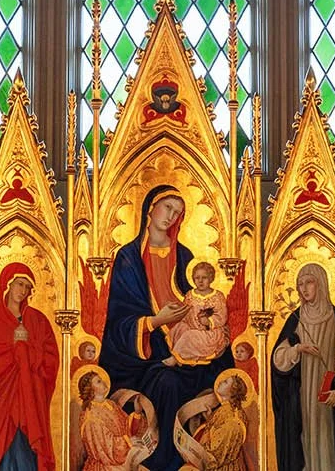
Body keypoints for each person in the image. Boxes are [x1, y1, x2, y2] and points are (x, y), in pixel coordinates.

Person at [100, 185, 233, 471]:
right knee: (167, 382)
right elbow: (117, 322)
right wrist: (155, 322)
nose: (171, 216)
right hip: (145, 356)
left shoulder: (185, 256)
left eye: (177, 212)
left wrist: (203, 321)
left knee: (220, 373)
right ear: (150, 208)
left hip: (191, 344)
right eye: (167, 207)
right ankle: (164, 463)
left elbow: (205, 299)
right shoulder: (128, 258)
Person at [0, 262, 59, 471]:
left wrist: (26, 348)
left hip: (29, 399)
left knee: (26, 450)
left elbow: (51, 359)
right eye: (19, 284)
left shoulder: (37, 320)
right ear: (7, 284)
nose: (22, 291)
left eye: (27, 287)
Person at [271, 263, 335, 471]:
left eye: (309, 282)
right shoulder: (296, 319)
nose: (304, 289)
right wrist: (298, 349)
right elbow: (278, 358)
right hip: (301, 396)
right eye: (300, 284)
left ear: (321, 284)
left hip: (326, 396)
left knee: (327, 442)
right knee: (303, 442)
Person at [78, 366, 150, 471]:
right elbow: (106, 449)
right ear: (91, 390)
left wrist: (137, 413)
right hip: (107, 465)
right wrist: (128, 442)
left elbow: (126, 427)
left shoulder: (110, 404)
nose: (103, 382)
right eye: (98, 382)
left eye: (101, 380)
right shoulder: (90, 417)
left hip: (123, 458)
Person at [165, 261, 229, 364]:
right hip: (192, 326)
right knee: (179, 328)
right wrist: (177, 309)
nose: (200, 281)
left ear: (211, 278)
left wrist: (208, 321)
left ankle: (175, 359)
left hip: (210, 332)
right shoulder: (190, 294)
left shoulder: (218, 296)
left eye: (204, 278)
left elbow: (222, 316)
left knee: (190, 336)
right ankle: (182, 357)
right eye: (197, 278)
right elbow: (185, 312)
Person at [195, 372, 249, 471]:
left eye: (225, 382)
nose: (220, 382)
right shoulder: (224, 409)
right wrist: (209, 418)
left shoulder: (232, 421)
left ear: (233, 391)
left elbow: (214, 456)